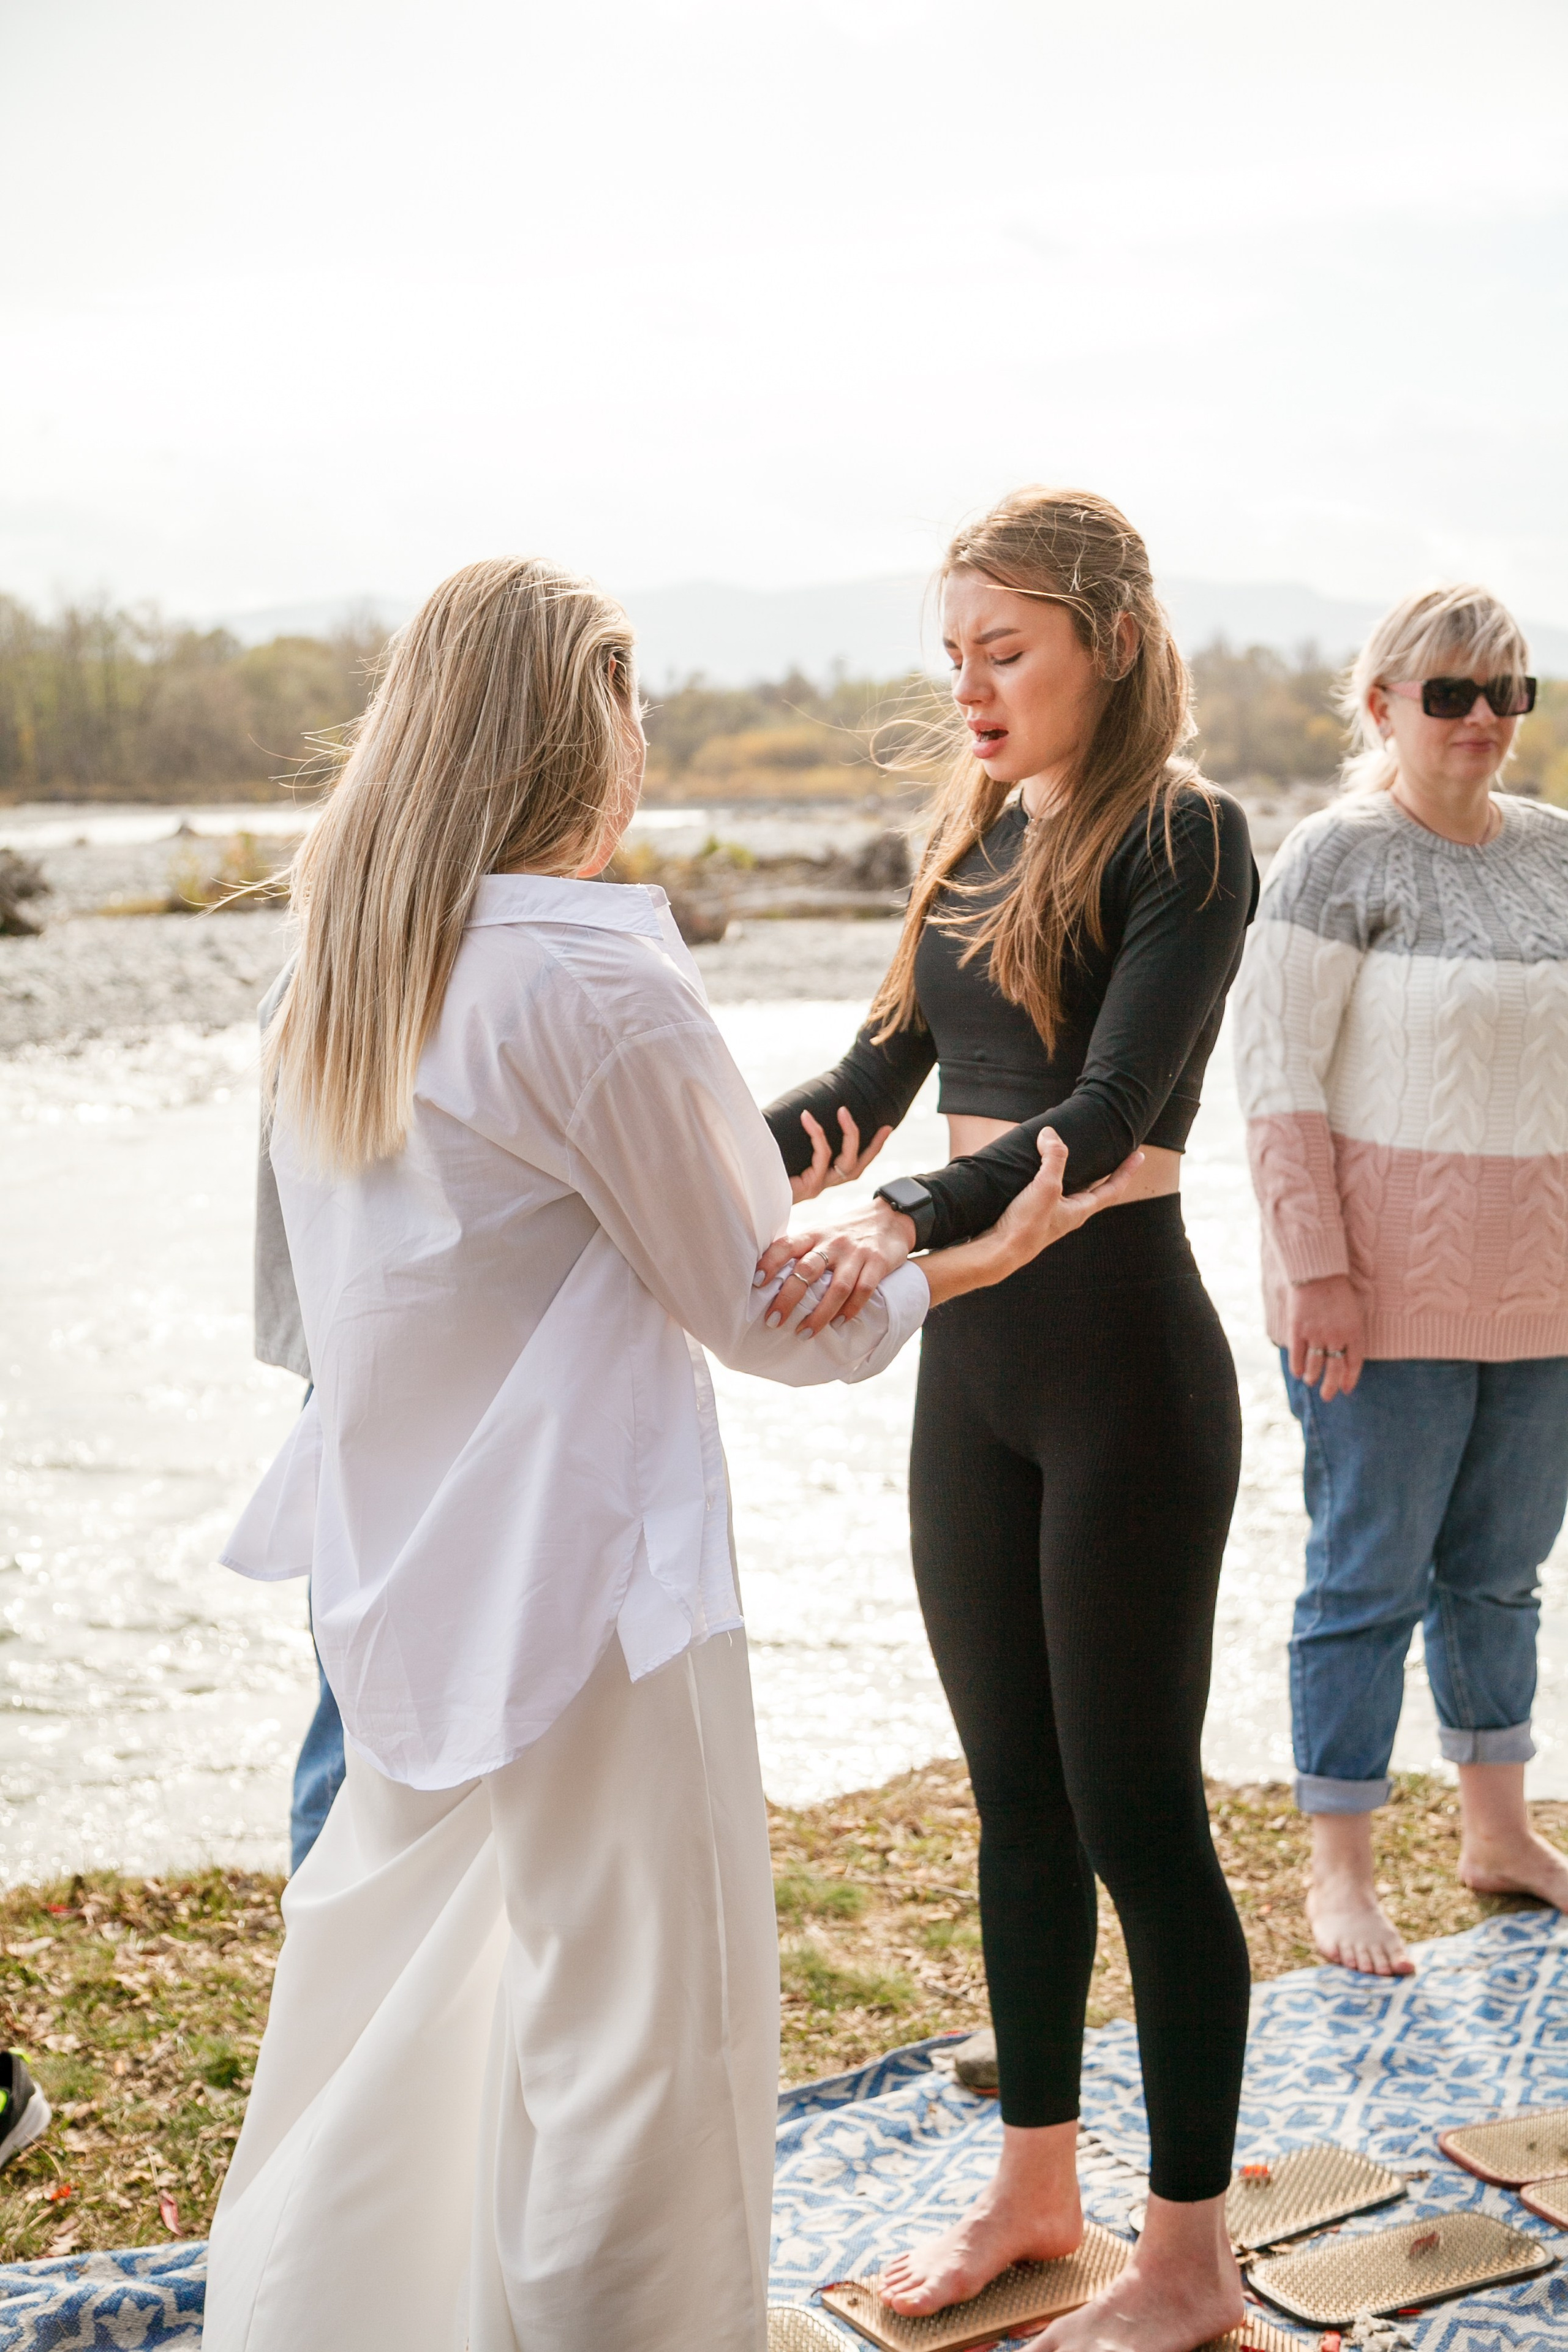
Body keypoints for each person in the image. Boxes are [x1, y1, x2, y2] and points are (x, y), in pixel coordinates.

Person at [202, 554, 1138, 2352]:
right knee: (647, 2035)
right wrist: (948, 1257)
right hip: (594, 1585)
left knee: (403, 2003)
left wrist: (729, 1189)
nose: (650, 740)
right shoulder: (592, 982)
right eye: (634, 705)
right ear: (579, 731)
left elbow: (462, 1255)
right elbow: (775, 1322)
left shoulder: (340, 970)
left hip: (398, 1573)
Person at [756, 488, 1258, 2352]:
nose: (970, 688)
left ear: (1108, 642)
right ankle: (1035, 2190)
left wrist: (901, 1222)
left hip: (1126, 1366)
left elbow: (1108, 1113)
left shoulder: (1191, 838)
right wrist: (672, 1161)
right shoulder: (973, 831)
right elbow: (870, 1087)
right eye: (953, 654)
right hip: (976, 1379)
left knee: (1141, 1815)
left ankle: (1188, 2264)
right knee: (1016, 1810)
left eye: (1005, 650)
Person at [1232, 584, 1568, 1980]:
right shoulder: (1331, 858)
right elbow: (1272, 1081)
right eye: (1448, 693)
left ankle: (1495, 1834)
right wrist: (1314, 1267)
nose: (1482, 718)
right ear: (1379, 706)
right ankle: (1340, 1871)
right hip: (1370, 1297)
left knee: (1497, 1576)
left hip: (1543, 1295)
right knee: (1364, 1577)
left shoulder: (1556, 853)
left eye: (1506, 692)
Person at [253, 980, 345, 1872]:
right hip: (377, 1379)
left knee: (351, 1696)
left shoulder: (317, 965)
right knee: (358, 1711)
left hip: (345, 1366)